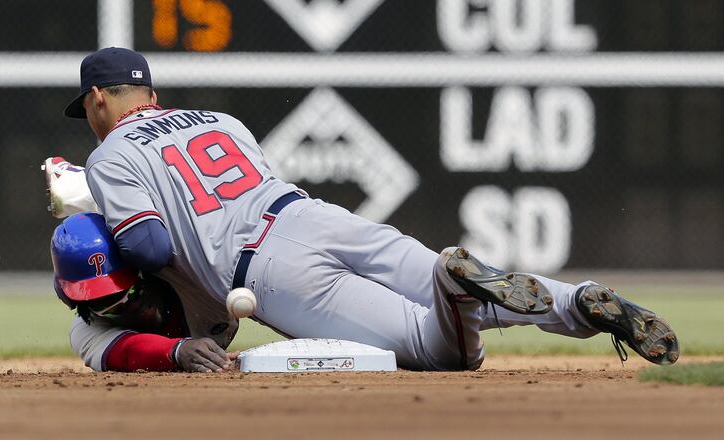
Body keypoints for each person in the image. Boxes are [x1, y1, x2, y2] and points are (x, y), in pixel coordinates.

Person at [52, 47, 679, 372]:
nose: (91, 120)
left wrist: (102, 208)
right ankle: (577, 299)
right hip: (313, 215)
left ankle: (454, 291)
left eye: (89, 109)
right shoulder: (220, 120)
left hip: (265, 272)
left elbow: (153, 249)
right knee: (435, 271)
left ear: (101, 97)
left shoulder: (110, 158)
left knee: (442, 350)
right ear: (153, 94)